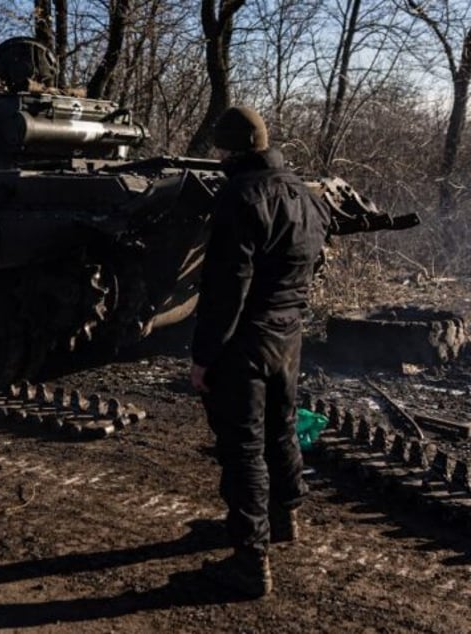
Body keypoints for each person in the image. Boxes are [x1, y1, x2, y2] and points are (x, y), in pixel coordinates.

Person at [189, 106, 330, 597]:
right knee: (281, 427)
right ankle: (283, 518)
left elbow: (227, 287)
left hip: (244, 340)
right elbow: (314, 264)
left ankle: (250, 562)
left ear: (228, 149)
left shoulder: (239, 195)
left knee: (243, 447)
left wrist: (204, 356)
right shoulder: (304, 194)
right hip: (288, 333)